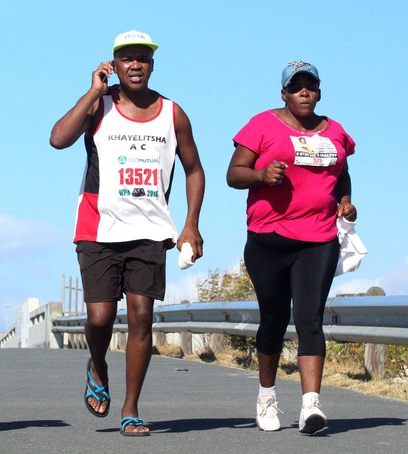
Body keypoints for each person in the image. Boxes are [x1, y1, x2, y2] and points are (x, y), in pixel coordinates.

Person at [50, 30, 205, 436]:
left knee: (141, 317)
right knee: (100, 318)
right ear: (114, 64)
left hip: (151, 230)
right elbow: (57, 139)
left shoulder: (173, 113)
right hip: (97, 226)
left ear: (152, 66)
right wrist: (91, 92)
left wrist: (191, 224)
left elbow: (194, 169)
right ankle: (97, 365)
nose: (135, 65)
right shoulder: (98, 106)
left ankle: (131, 408)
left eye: (143, 58)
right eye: (127, 58)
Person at [226, 61, 357, 435]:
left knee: (309, 319)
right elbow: (233, 174)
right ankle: (266, 396)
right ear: (283, 92)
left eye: (310, 86)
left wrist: (345, 202)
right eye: (296, 86)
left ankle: (311, 406)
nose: (304, 92)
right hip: (269, 239)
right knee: (273, 320)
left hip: (318, 239)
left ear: (318, 92)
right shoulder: (262, 125)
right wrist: (260, 175)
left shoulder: (335, 131)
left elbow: (342, 171)